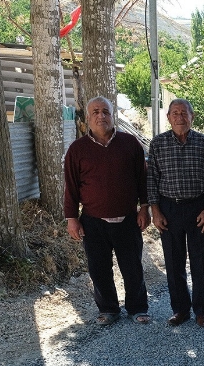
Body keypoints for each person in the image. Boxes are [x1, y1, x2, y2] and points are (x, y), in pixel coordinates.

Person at [64, 96, 151, 326]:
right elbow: (71, 186)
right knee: (99, 269)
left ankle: (138, 307)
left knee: (132, 267)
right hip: (93, 221)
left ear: (113, 116)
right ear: (88, 118)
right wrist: (72, 218)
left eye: (105, 111)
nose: (101, 116)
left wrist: (145, 208)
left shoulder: (130, 143)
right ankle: (108, 309)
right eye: (95, 112)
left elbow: (143, 180)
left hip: (128, 219)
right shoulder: (77, 149)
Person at [147, 99, 204, 328]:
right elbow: (151, 180)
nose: (180, 117)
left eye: (184, 113)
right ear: (168, 117)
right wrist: (155, 211)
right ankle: (180, 310)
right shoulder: (157, 144)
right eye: (175, 113)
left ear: (192, 116)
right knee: (173, 261)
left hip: (198, 207)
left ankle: (202, 311)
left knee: (200, 261)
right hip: (168, 208)